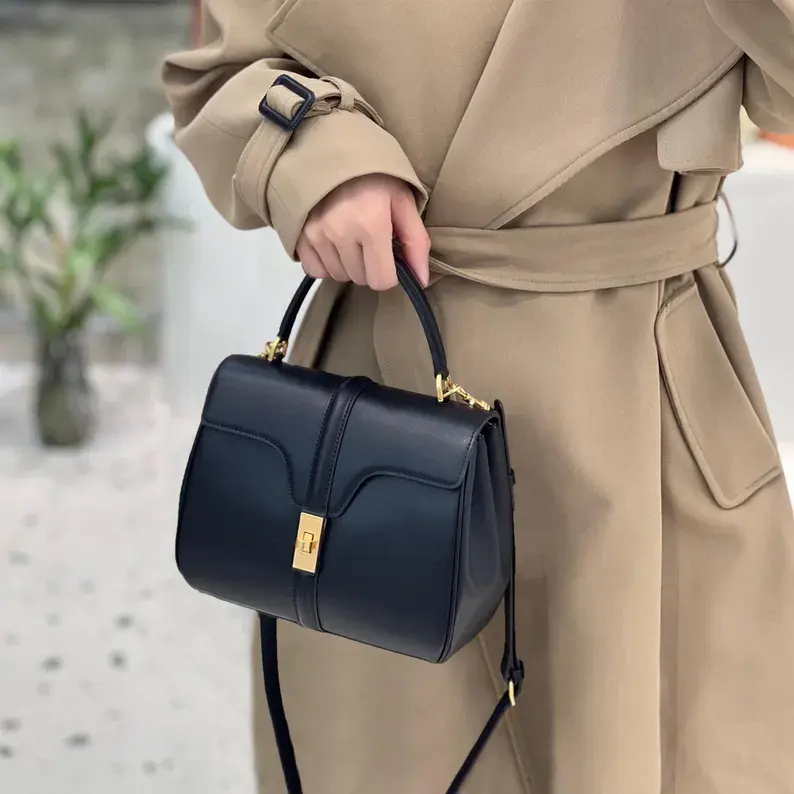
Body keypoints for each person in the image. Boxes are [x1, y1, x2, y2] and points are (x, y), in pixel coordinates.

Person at [162, 1, 794, 791]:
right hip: (390, 396)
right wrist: (320, 158)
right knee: (399, 752)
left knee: (665, 740)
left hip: (644, 396)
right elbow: (224, 72)